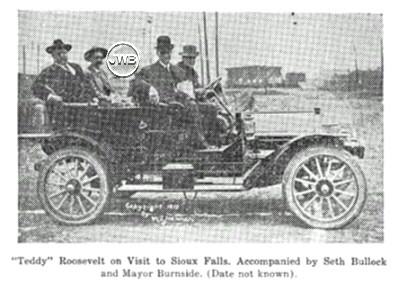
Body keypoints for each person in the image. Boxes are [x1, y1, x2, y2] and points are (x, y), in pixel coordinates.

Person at [128, 36, 210, 149]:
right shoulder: (148, 70)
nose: (166, 55)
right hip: (162, 106)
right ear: (157, 53)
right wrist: (150, 89)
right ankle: (199, 141)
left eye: (168, 52)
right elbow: (135, 83)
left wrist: (190, 93)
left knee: (205, 107)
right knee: (191, 106)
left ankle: (209, 139)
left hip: (177, 102)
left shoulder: (178, 71)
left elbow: (184, 87)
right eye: (163, 52)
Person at [32, 39, 87, 103]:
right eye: (59, 54)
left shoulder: (76, 67)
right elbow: (36, 87)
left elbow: (86, 84)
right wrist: (49, 96)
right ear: (53, 56)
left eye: (64, 53)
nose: (62, 56)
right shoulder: (48, 71)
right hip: (62, 105)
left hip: (82, 103)